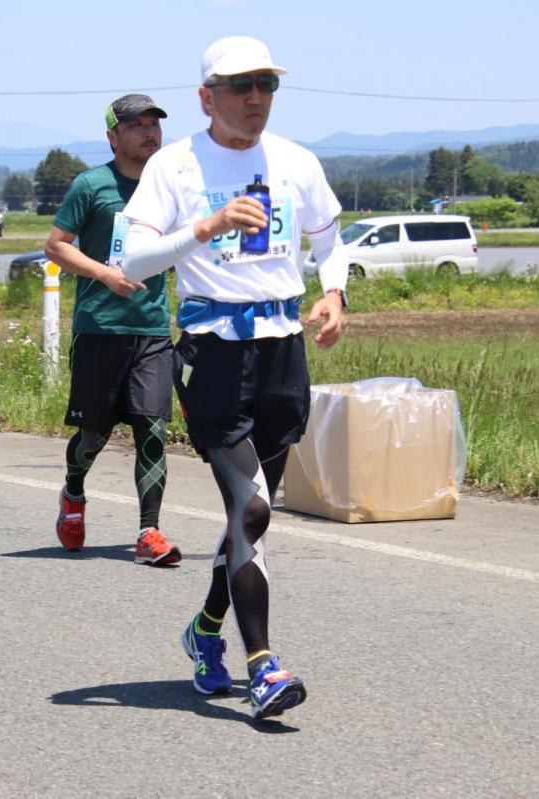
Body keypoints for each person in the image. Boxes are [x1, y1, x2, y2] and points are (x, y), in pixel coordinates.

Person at [120, 37, 348, 721]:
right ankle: (264, 666)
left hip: (282, 352)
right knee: (250, 509)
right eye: (240, 85)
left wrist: (335, 294)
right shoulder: (174, 165)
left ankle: (205, 630)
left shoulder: (297, 161)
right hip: (212, 354)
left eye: (266, 85)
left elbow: (329, 240)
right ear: (207, 97)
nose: (255, 98)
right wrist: (207, 225)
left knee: (254, 516)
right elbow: (134, 261)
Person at [44, 94, 180, 566]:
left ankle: (148, 532)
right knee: (94, 437)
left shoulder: (170, 188)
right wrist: (104, 274)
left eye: (153, 124)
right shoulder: (92, 185)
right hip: (100, 328)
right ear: (113, 136)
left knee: (152, 429)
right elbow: (56, 246)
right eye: (137, 125)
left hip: (152, 329)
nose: (149, 132)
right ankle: (73, 494)